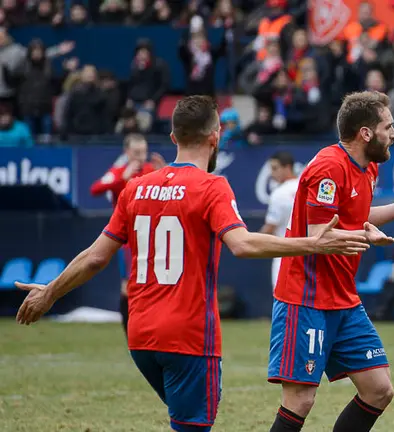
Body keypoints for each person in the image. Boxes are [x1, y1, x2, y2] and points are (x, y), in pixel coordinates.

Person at [14, 95, 372, 432]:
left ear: (172, 136)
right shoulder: (211, 187)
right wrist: (313, 244)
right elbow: (243, 245)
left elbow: (94, 258)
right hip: (188, 337)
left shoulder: (136, 188)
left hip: (141, 338)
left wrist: (50, 293)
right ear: (216, 136)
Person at [266, 90, 394, 432]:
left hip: (343, 298)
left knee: (379, 390)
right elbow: (318, 237)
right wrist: (363, 236)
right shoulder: (329, 167)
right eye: (389, 126)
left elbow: (354, 216)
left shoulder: (368, 169)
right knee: (300, 400)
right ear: (366, 133)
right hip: (306, 297)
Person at [90, 133, 165, 334]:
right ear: (127, 152)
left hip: (152, 237)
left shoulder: (152, 171)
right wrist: (121, 179)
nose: (141, 157)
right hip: (128, 239)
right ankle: (130, 331)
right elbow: (96, 189)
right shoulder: (119, 172)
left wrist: (164, 174)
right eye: (136, 152)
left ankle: (150, 328)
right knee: (128, 286)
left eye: (143, 152)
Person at [260, 151, 300, 290]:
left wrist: (251, 240)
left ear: (287, 167)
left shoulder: (279, 194)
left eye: (275, 168)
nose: (272, 173)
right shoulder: (305, 187)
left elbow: (270, 227)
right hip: (308, 253)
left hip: (284, 254)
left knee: (282, 301)